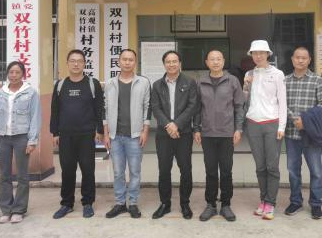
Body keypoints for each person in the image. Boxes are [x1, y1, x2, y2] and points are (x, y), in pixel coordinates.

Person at [50, 49, 105, 219]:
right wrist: (55, 132)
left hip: (87, 134)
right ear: (67, 63)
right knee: (67, 170)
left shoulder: (92, 84)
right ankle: (66, 204)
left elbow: (99, 109)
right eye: (72, 61)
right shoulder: (60, 85)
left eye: (79, 61)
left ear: (84, 64)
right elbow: (55, 110)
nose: (76, 64)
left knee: (88, 169)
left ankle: (87, 203)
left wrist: (100, 130)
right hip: (66, 135)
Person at [0, 61, 42, 224]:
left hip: (21, 137)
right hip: (2, 137)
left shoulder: (31, 93)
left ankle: (19, 210)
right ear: (7, 74)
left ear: (23, 74)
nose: (14, 75)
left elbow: (35, 117)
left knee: (22, 175)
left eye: (17, 72)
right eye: (11, 72)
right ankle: (6, 209)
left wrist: (32, 140)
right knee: (4, 175)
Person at [194, 50, 245, 222]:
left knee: (226, 170)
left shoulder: (232, 81)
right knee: (210, 171)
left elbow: (239, 107)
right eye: (212, 59)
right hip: (207, 134)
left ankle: (225, 205)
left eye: (218, 59)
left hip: (227, 134)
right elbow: (197, 109)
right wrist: (196, 129)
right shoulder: (200, 82)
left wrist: (238, 129)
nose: (215, 62)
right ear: (207, 62)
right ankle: (210, 204)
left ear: (223, 61)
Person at [103, 49, 151, 219]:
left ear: (135, 62)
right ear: (119, 61)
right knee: (118, 172)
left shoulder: (143, 82)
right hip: (115, 136)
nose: (127, 62)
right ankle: (120, 203)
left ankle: (133, 203)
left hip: (135, 136)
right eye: (124, 59)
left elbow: (147, 107)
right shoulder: (110, 83)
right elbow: (105, 109)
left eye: (131, 60)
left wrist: (145, 131)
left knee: (135, 172)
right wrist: (106, 134)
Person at [150, 50, 198, 220]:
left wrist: (177, 124)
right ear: (164, 64)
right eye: (168, 62)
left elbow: (192, 106)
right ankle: (165, 203)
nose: (171, 64)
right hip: (163, 134)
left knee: (185, 169)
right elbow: (155, 108)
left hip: (183, 133)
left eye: (174, 61)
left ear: (180, 63)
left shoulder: (190, 82)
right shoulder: (157, 85)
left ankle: (185, 203)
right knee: (164, 170)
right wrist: (169, 125)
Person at [244, 40, 287, 220]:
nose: (258, 56)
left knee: (272, 166)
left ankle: (270, 203)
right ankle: (263, 200)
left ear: (268, 54)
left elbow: (282, 101)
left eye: (262, 52)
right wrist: (246, 86)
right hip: (253, 123)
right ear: (251, 55)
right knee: (260, 166)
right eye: (255, 53)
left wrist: (282, 126)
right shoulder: (249, 74)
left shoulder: (277, 74)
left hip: (272, 123)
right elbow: (244, 100)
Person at [283, 47, 322, 220]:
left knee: (316, 171)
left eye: (304, 58)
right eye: (297, 57)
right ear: (292, 59)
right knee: (293, 170)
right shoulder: (285, 81)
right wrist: (295, 119)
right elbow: (281, 104)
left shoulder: (317, 79)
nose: (300, 60)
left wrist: (305, 121)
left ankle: (316, 204)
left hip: (311, 134)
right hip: (291, 133)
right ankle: (296, 201)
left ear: (309, 60)